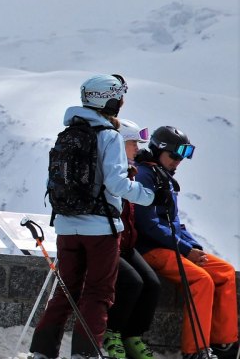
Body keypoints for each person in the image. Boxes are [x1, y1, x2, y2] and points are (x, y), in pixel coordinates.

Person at [29, 74, 159, 359]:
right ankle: (85, 353)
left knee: (66, 290)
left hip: (65, 225)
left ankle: (41, 352)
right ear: (111, 100)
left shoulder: (68, 134)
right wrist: (148, 195)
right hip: (100, 228)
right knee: (99, 293)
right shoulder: (109, 136)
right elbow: (116, 184)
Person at [133, 126, 238, 359]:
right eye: (174, 156)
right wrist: (184, 249)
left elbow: (176, 223)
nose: (178, 162)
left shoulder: (164, 178)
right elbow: (147, 224)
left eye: (181, 157)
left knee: (225, 272)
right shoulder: (144, 175)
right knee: (200, 280)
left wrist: (194, 248)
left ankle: (225, 344)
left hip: (171, 245)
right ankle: (195, 350)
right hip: (150, 248)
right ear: (158, 150)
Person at [103, 120, 161, 359]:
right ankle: (112, 333)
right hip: (108, 243)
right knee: (132, 283)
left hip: (126, 244)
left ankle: (133, 335)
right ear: (119, 142)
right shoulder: (114, 172)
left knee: (152, 284)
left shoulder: (132, 171)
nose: (137, 148)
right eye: (132, 142)